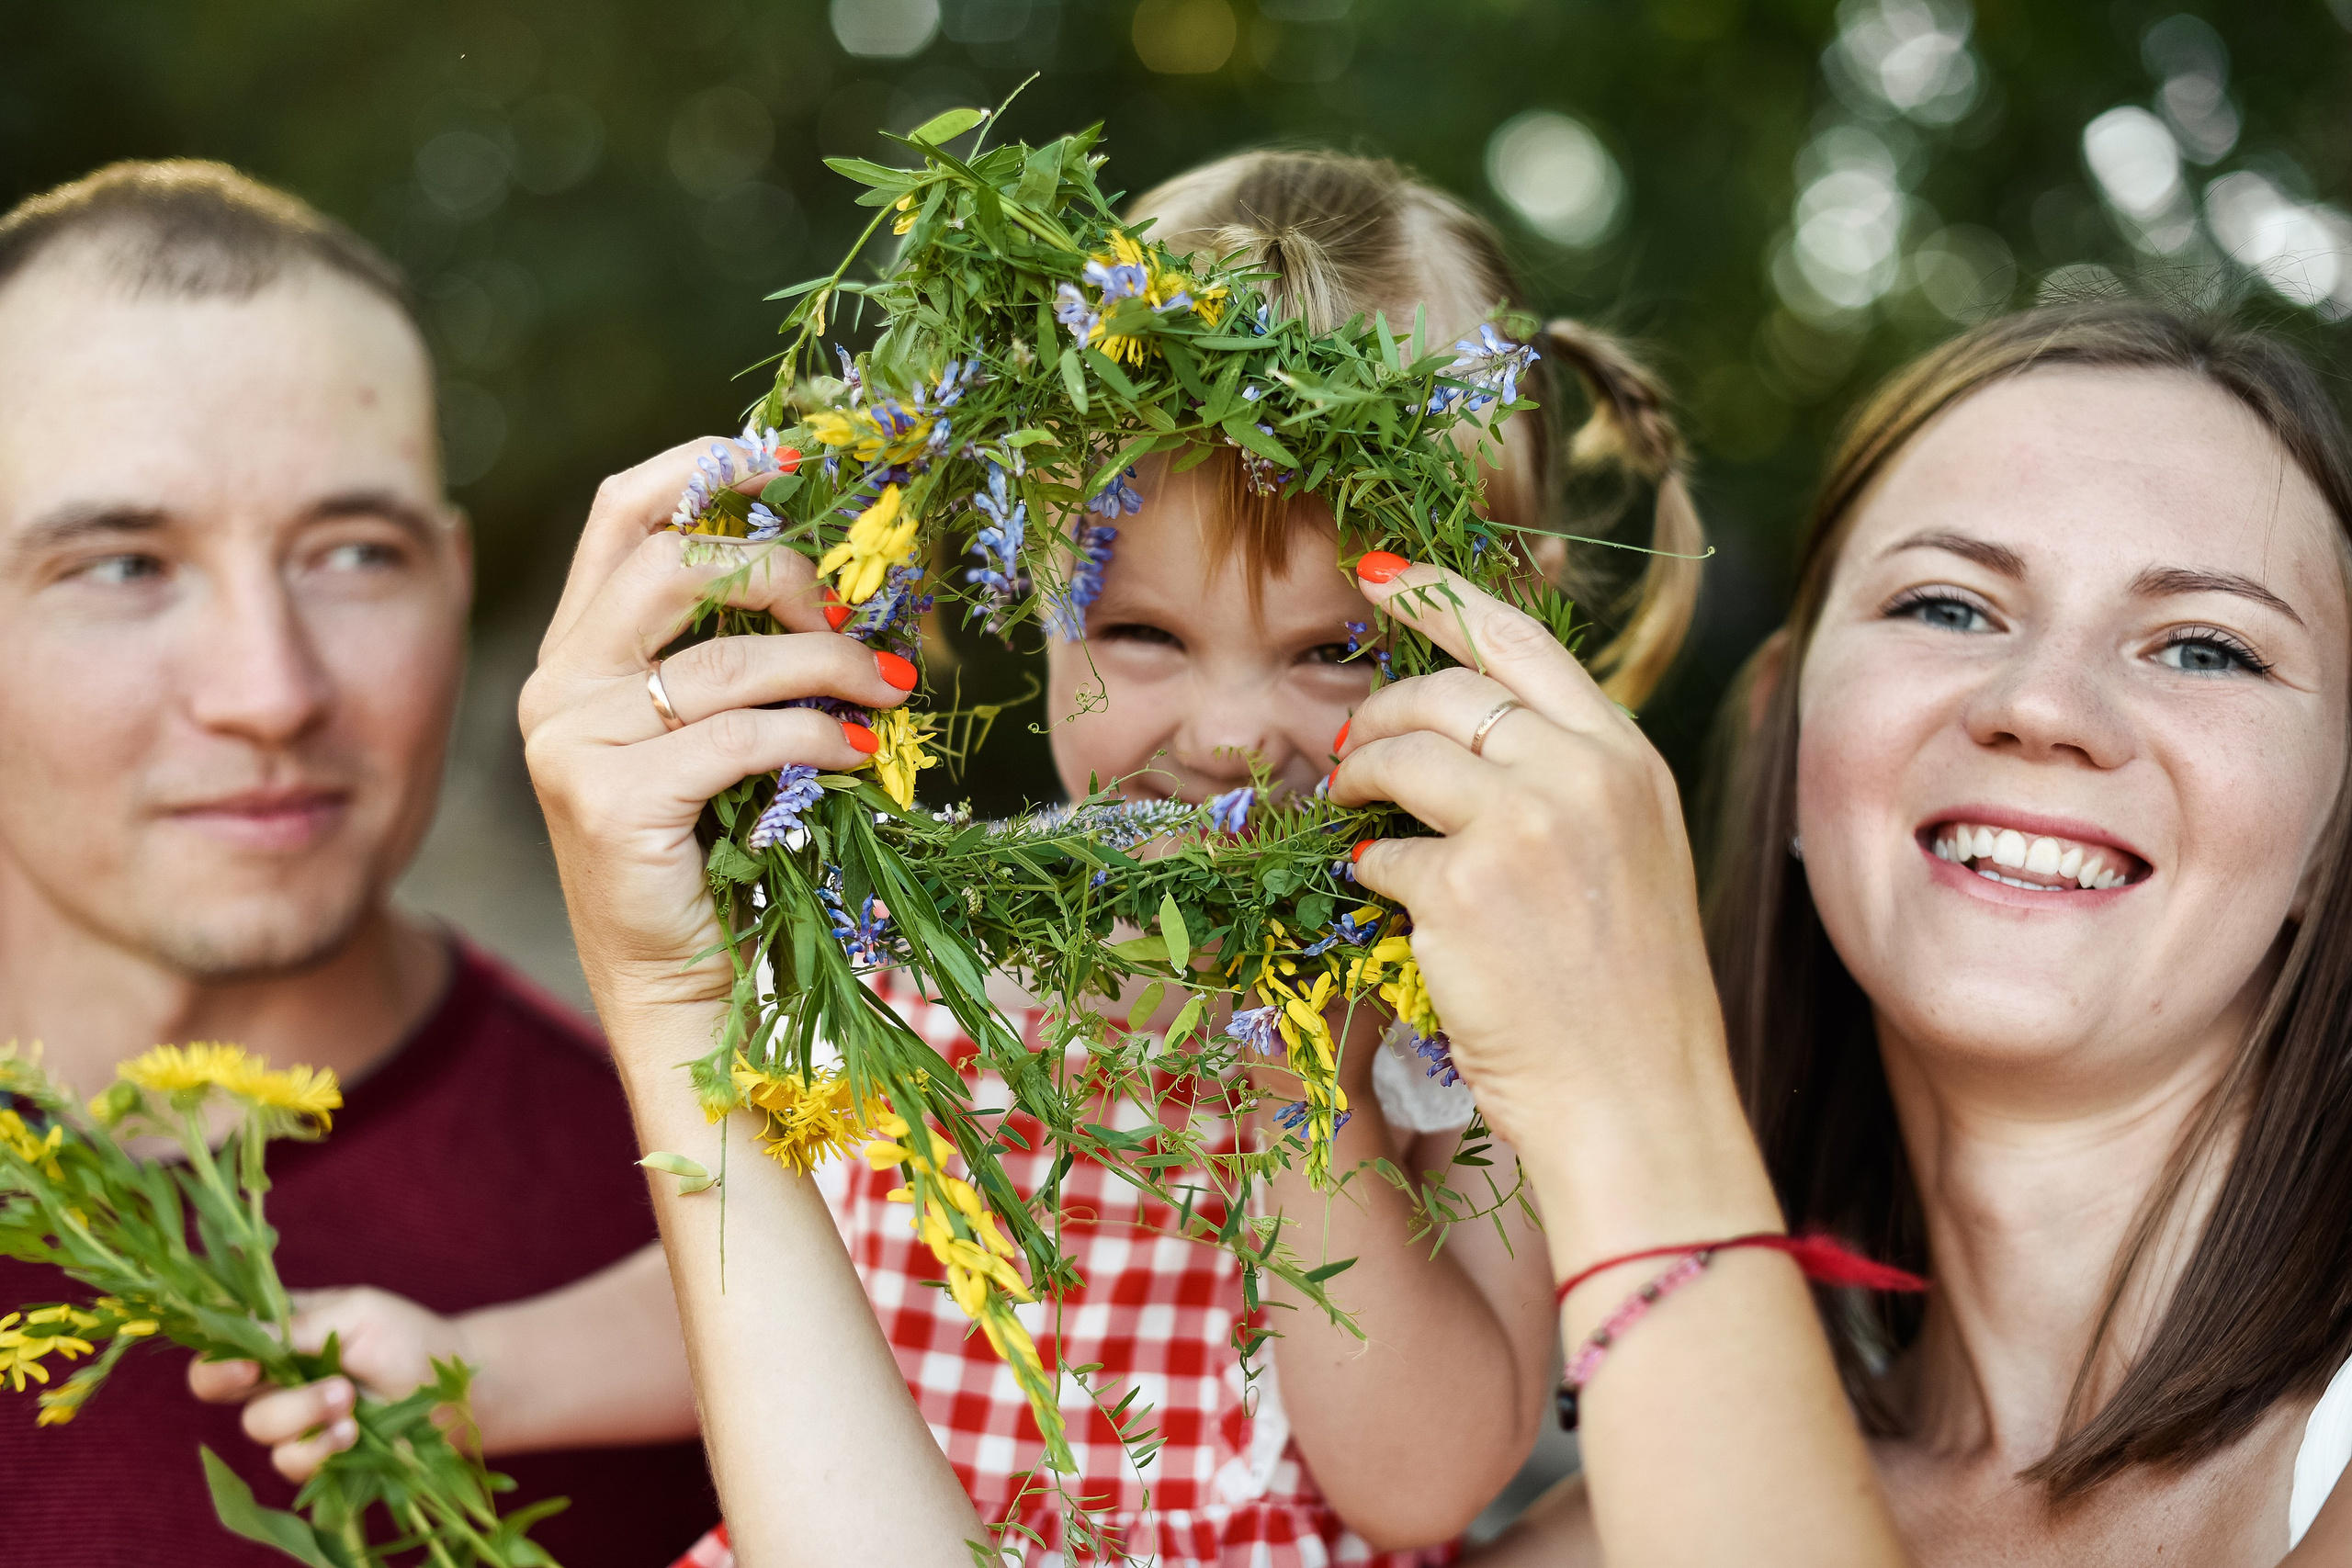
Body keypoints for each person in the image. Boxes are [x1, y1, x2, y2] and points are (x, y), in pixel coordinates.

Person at [526, 295, 2352, 1568]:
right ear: (1791, 736)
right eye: (1949, 603)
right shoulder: (1620, 1504)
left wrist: (1615, 1067)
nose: (2042, 703)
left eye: (2204, 644)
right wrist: (680, 1002)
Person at [0, 160, 716, 1564]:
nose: (270, 692)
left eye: (353, 554)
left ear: (454, 585)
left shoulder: (698, 1249)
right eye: (123, 566)